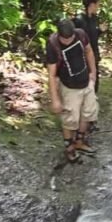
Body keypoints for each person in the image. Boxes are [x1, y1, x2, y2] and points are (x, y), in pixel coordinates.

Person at [45, 19, 98, 162]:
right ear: (59, 35)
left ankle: (80, 141)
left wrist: (93, 72)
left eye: (70, 39)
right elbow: (51, 73)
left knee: (87, 113)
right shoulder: (53, 44)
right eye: (64, 39)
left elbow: (89, 51)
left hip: (86, 82)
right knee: (69, 119)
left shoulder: (80, 35)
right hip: (69, 86)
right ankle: (69, 147)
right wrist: (55, 99)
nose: (67, 42)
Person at [74, 0, 106, 97]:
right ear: (92, 4)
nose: (98, 6)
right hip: (82, 54)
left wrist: (100, 31)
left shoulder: (94, 18)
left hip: (94, 52)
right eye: (98, 4)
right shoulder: (79, 20)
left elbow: (93, 36)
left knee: (94, 77)